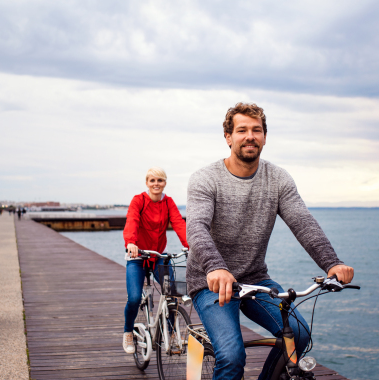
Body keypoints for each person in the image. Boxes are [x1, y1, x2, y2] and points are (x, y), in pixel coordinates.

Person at [186, 103, 355, 380]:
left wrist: (332, 263)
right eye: (242, 130)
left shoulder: (278, 178)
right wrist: (215, 266)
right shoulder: (206, 179)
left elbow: (303, 223)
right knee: (231, 357)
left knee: (299, 335)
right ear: (228, 137)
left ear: (264, 136)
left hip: (254, 279)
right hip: (211, 281)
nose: (250, 136)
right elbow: (197, 228)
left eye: (257, 130)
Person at [122, 167, 189, 354]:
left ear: (165, 183)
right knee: (134, 298)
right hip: (138, 256)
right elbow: (132, 221)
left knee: (174, 293)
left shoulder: (168, 203)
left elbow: (178, 223)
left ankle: (171, 332)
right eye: (152, 180)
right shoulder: (139, 201)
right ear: (147, 183)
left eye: (160, 180)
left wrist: (190, 244)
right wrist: (131, 243)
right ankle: (128, 331)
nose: (156, 184)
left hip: (158, 256)